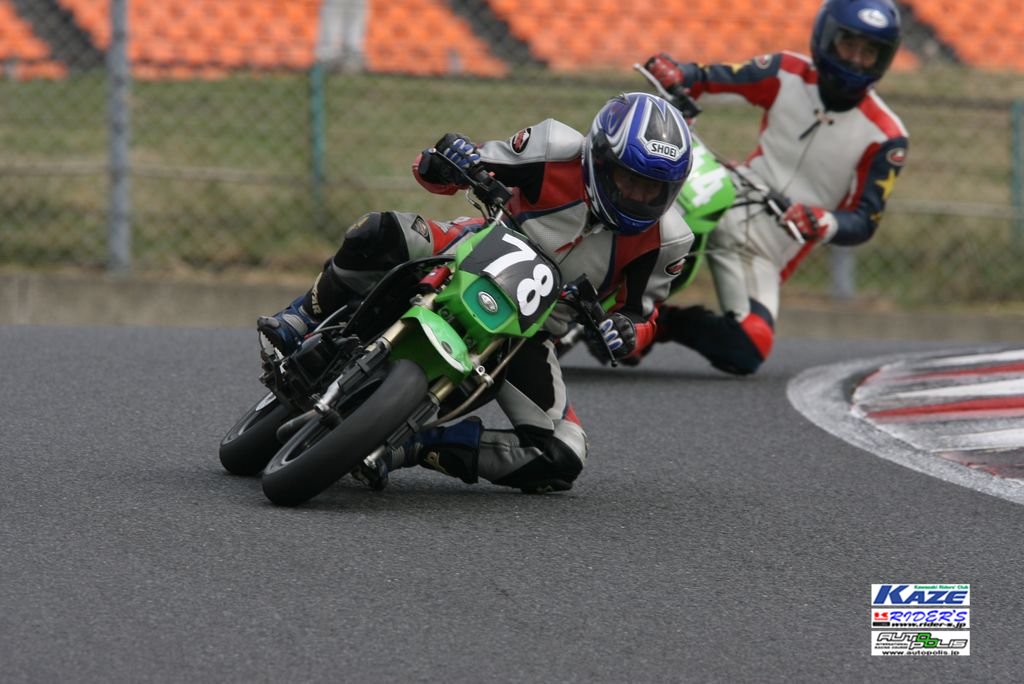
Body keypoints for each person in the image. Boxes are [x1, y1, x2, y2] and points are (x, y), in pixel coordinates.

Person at [257, 92, 695, 493]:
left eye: (653, 188)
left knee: (563, 454)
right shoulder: (553, 148)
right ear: (597, 157)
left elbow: (642, 315)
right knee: (380, 231)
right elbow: (441, 171)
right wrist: (449, 158)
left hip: (530, 331)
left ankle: (413, 446)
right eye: (627, 178)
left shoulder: (669, 240)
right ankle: (302, 317)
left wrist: (625, 332)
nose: (638, 196)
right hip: (469, 249)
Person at [642, 0, 908, 375]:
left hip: (767, 246)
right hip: (728, 190)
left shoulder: (888, 136)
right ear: (826, 38)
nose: (856, 60)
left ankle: (657, 326)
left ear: (885, 59)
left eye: (870, 52)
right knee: (655, 194)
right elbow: (707, 79)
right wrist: (678, 73)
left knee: (749, 348)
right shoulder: (786, 71)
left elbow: (865, 220)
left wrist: (821, 221)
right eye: (849, 44)